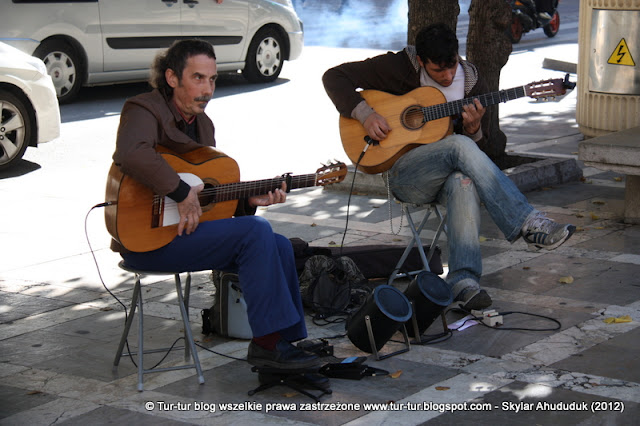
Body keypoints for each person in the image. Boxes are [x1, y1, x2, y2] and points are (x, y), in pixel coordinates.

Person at [322, 23, 575, 311]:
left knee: (463, 183)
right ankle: (527, 223)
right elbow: (334, 77)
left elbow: (478, 160)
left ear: (458, 55)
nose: (448, 75)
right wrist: (366, 115)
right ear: (421, 61)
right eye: (438, 70)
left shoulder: (471, 84)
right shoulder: (398, 67)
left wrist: (474, 130)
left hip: (446, 178)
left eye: (452, 65)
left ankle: (463, 282)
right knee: (458, 145)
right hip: (407, 175)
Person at [110, 39, 319, 371]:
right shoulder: (143, 108)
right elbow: (133, 154)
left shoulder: (203, 125)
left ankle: (284, 341)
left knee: (277, 244)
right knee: (256, 232)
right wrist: (180, 192)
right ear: (172, 77)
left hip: (185, 235)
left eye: (212, 79)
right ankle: (267, 347)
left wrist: (247, 202)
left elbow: (211, 200)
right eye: (198, 78)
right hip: (145, 242)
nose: (207, 89)